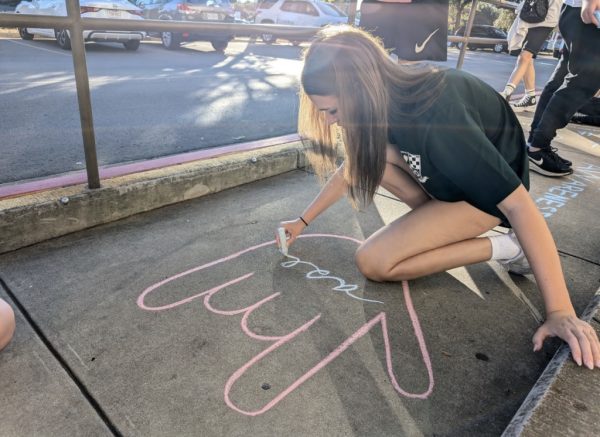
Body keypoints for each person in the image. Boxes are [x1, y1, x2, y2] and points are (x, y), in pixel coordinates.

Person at [278, 25, 600, 369]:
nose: (328, 124)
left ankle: (508, 247)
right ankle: (450, 224)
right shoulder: (387, 98)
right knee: (370, 156)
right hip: (449, 182)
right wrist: (302, 221)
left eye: (332, 111)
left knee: (374, 261)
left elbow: (519, 204)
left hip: (484, 200)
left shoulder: (434, 114)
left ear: (359, 88)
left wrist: (560, 311)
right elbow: (353, 167)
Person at [526, 0, 600, 177]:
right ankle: (537, 148)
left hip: (576, 12)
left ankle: (534, 145)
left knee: (562, 78)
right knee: (583, 81)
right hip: (590, 14)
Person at [500, 0, 564, 109]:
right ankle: (530, 95)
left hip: (548, 17)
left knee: (525, 56)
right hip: (530, 12)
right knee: (527, 58)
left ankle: (507, 93)